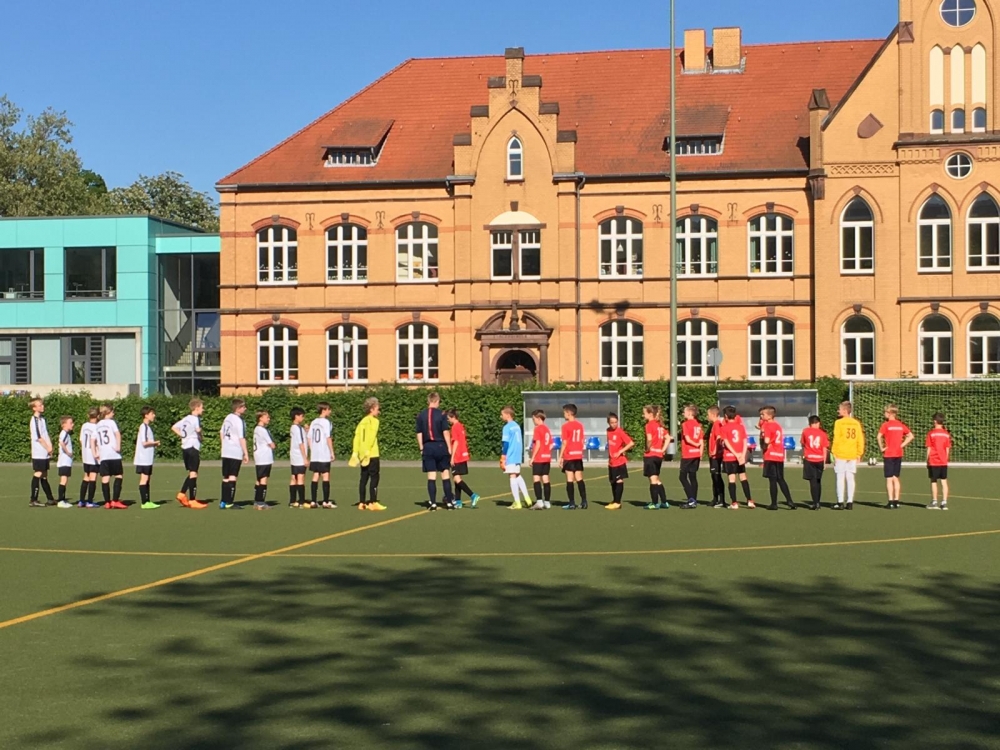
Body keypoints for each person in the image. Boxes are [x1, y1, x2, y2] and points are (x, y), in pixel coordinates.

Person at [416, 392, 454, 511]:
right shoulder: (441, 414)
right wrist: (449, 447)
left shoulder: (421, 415)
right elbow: (445, 432)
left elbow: (419, 433)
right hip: (440, 446)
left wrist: (421, 447)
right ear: (436, 401)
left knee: (431, 476)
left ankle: (433, 503)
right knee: (445, 474)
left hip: (428, 447)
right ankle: (449, 502)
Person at [877, 405, 914, 510]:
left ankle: (890, 501)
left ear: (889, 413)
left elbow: (878, 436)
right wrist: (901, 445)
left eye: (885, 412)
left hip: (889, 454)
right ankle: (896, 501)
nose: (884, 414)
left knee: (889, 478)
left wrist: (882, 448)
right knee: (896, 477)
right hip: (898, 453)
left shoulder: (886, 425)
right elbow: (911, 436)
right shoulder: (900, 425)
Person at [351, 397, 385, 511]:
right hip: (372, 454)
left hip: (362, 455)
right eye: (377, 409)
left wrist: (355, 452)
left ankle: (362, 502)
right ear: (372, 408)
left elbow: (357, 437)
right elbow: (371, 436)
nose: (378, 411)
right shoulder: (374, 421)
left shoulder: (362, 421)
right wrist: (367, 451)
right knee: (374, 477)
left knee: (363, 478)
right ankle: (373, 502)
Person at [760, 406, 796, 511]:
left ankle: (774, 503)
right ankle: (790, 501)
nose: (761, 416)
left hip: (771, 456)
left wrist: (764, 443)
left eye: (763, 414)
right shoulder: (778, 426)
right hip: (779, 455)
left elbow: (767, 441)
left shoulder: (768, 425)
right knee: (780, 479)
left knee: (772, 480)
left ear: (769, 416)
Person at [172, 399, 206, 509]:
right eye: (202, 407)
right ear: (196, 408)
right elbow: (198, 430)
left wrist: (182, 435)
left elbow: (174, 427)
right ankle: (192, 499)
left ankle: (182, 494)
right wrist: (200, 436)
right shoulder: (195, 419)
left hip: (185, 447)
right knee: (194, 473)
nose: (203, 410)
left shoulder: (186, 419)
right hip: (193, 447)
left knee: (192, 473)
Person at [831, 401, 865, 510]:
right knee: (850, 478)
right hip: (852, 454)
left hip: (841, 453)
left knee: (840, 478)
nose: (838, 411)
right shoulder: (856, 423)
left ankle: (840, 502)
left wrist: (834, 452)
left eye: (840, 409)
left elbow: (836, 438)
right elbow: (860, 439)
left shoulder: (839, 423)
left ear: (845, 411)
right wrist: (859, 453)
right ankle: (850, 502)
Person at [721, 406, 755, 509]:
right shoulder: (740, 427)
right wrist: (742, 455)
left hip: (729, 457)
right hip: (740, 456)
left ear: (726, 416)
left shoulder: (724, 427)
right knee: (743, 477)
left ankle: (734, 503)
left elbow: (726, 442)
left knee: (732, 479)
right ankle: (749, 501)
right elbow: (745, 442)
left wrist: (735, 454)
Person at [447, 409, 480, 509]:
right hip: (463, 455)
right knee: (457, 478)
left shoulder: (454, 427)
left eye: (448, 418)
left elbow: (456, 442)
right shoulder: (461, 426)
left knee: (456, 479)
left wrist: (452, 457)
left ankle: (473, 495)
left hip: (457, 456)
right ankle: (458, 501)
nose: (448, 420)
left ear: (453, 417)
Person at [220, 399, 249, 510]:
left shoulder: (228, 417)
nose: (245, 409)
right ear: (238, 408)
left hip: (226, 451)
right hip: (235, 451)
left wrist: (224, 445)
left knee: (226, 477)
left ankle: (223, 501)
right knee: (233, 476)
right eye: (243, 407)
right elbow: (241, 438)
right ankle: (229, 502)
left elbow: (221, 432)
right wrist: (245, 453)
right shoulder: (239, 420)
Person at [501, 406, 532, 509]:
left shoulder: (507, 427)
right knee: (517, 475)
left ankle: (517, 502)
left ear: (508, 415)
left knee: (512, 476)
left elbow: (506, 443)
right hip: (518, 454)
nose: (501, 416)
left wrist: (503, 457)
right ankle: (527, 498)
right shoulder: (517, 426)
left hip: (511, 454)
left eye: (502, 414)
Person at [96, 404, 126, 509]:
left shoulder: (98, 424)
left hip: (104, 455)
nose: (114, 413)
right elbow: (117, 434)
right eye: (112, 411)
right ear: (108, 412)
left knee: (105, 477)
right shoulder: (111, 422)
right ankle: (115, 500)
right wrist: (118, 446)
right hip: (113, 454)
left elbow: (94, 439)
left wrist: (97, 451)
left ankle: (107, 502)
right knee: (119, 475)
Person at [559, 403, 588, 510]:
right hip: (578, 455)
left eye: (564, 413)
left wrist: (560, 456)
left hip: (569, 455)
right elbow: (582, 440)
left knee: (570, 479)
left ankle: (571, 503)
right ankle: (584, 501)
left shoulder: (565, 426)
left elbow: (565, 442)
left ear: (569, 413)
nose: (564, 415)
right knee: (579, 478)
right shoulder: (580, 425)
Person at [604, 412, 634, 511]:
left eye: (616, 422)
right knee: (612, 481)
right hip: (611, 461)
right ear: (608, 423)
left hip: (619, 461)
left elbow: (630, 443)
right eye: (612, 422)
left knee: (619, 480)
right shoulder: (608, 431)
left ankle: (617, 502)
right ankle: (615, 500)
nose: (614, 424)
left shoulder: (620, 432)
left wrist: (620, 451)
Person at [28, 398, 55, 507]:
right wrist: (47, 447)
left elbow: (45, 434)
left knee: (44, 475)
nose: (42, 406)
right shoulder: (34, 420)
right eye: (39, 405)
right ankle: (33, 499)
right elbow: (39, 437)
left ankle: (50, 498)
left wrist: (50, 446)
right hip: (38, 452)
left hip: (44, 452)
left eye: (42, 405)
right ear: (34, 408)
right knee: (38, 473)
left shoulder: (42, 419)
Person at [642, 405, 670, 510]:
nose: (643, 415)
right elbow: (668, 438)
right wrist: (663, 450)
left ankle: (654, 503)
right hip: (658, 455)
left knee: (652, 479)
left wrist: (647, 449)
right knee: (657, 479)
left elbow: (649, 439)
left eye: (644, 413)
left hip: (651, 455)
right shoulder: (660, 426)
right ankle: (664, 502)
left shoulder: (649, 425)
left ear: (650, 414)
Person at [308, 403, 336, 509]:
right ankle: (325, 501)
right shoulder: (326, 422)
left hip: (315, 454)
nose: (330, 411)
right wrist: (331, 452)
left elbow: (309, 437)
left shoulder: (314, 422)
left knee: (316, 475)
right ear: (324, 410)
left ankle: (313, 501)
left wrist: (312, 449)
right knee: (325, 475)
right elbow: (328, 438)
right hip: (324, 452)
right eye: (329, 409)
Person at [801, 415, 831, 510]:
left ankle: (815, 503)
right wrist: (825, 462)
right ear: (818, 423)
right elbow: (824, 448)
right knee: (818, 481)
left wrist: (804, 454)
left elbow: (803, 444)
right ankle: (818, 502)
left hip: (809, 459)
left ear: (810, 423)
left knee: (812, 481)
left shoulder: (805, 431)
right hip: (820, 459)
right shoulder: (823, 433)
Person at [134, 406, 160, 510]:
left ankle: (148, 501)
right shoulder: (143, 427)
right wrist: (155, 443)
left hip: (147, 458)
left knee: (147, 479)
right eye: (152, 414)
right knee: (144, 479)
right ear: (146, 415)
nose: (154, 415)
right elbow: (144, 442)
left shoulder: (147, 427)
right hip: (143, 458)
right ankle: (144, 502)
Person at [679, 404, 703, 510]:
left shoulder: (685, 424)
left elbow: (688, 439)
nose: (683, 413)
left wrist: (695, 444)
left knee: (682, 477)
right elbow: (701, 441)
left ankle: (691, 499)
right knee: (693, 476)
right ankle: (694, 499)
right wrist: (700, 453)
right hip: (696, 454)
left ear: (689, 413)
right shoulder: (698, 425)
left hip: (688, 454)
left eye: (684, 412)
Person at [926, 412, 951, 510]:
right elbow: (947, 448)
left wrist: (927, 460)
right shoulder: (946, 434)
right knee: (944, 481)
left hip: (933, 460)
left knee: (933, 481)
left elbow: (929, 447)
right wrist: (945, 459)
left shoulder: (931, 433)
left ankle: (934, 501)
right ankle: (944, 502)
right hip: (943, 461)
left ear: (935, 421)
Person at [529, 410, 553, 510]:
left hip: (539, 458)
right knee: (546, 478)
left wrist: (532, 458)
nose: (533, 421)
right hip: (546, 458)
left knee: (536, 479)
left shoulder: (537, 429)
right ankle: (547, 502)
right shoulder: (547, 429)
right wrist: (546, 451)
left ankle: (539, 501)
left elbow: (538, 444)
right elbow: (551, 444)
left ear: (538, 418)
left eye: (534, 419)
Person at [252, 410, 276, 510]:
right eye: (267, 417)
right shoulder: (262, 430)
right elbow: (272, 444)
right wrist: (272, 445)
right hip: (264, 457)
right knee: (263, 479)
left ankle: (256, 501)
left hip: (259, 457)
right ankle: (261, 503)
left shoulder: (257, 429)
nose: (269, 419)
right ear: (260, 418)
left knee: (259, 479)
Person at [78, 407, 100, 508]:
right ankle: (90, 501)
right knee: (93, 477)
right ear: (98, 416)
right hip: (94, 455)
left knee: (86, 477)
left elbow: (81, 440)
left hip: (85, 455)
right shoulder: (97, 427)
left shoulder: (84, 426)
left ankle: (81, 500)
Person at [706, 405, 726, 508]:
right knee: (714, 477)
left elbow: (719, 437)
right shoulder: (714, 424)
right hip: (713, 455)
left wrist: (714, 450)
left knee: (717, 477)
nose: (707, 417)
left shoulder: (717, 424)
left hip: (716, 455)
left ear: (713, 414)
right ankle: (715, 498)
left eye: (708, 414)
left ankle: (721, 500)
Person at [289, 407, 308, 508]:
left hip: (294, 456)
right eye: (302, 416)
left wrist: (306, 430)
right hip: (299, 456)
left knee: (294, 477)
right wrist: (305, 458)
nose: (303, 418)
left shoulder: (294, 427)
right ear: (296, 416)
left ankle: (292, 501)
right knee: (300, 477)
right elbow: (301, 443)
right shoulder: (297, 428)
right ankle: (301, 501)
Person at [55, 415, 75, 508]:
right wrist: (68, 452)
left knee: (65, 480)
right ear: (64, 424)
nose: (72, 424)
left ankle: (62, 499)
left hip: (66, 461)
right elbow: (61, 442)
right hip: (64, 461)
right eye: (70, 423)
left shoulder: (66, 434)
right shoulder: (63, 433)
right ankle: (61, 500)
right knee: (63, 480)